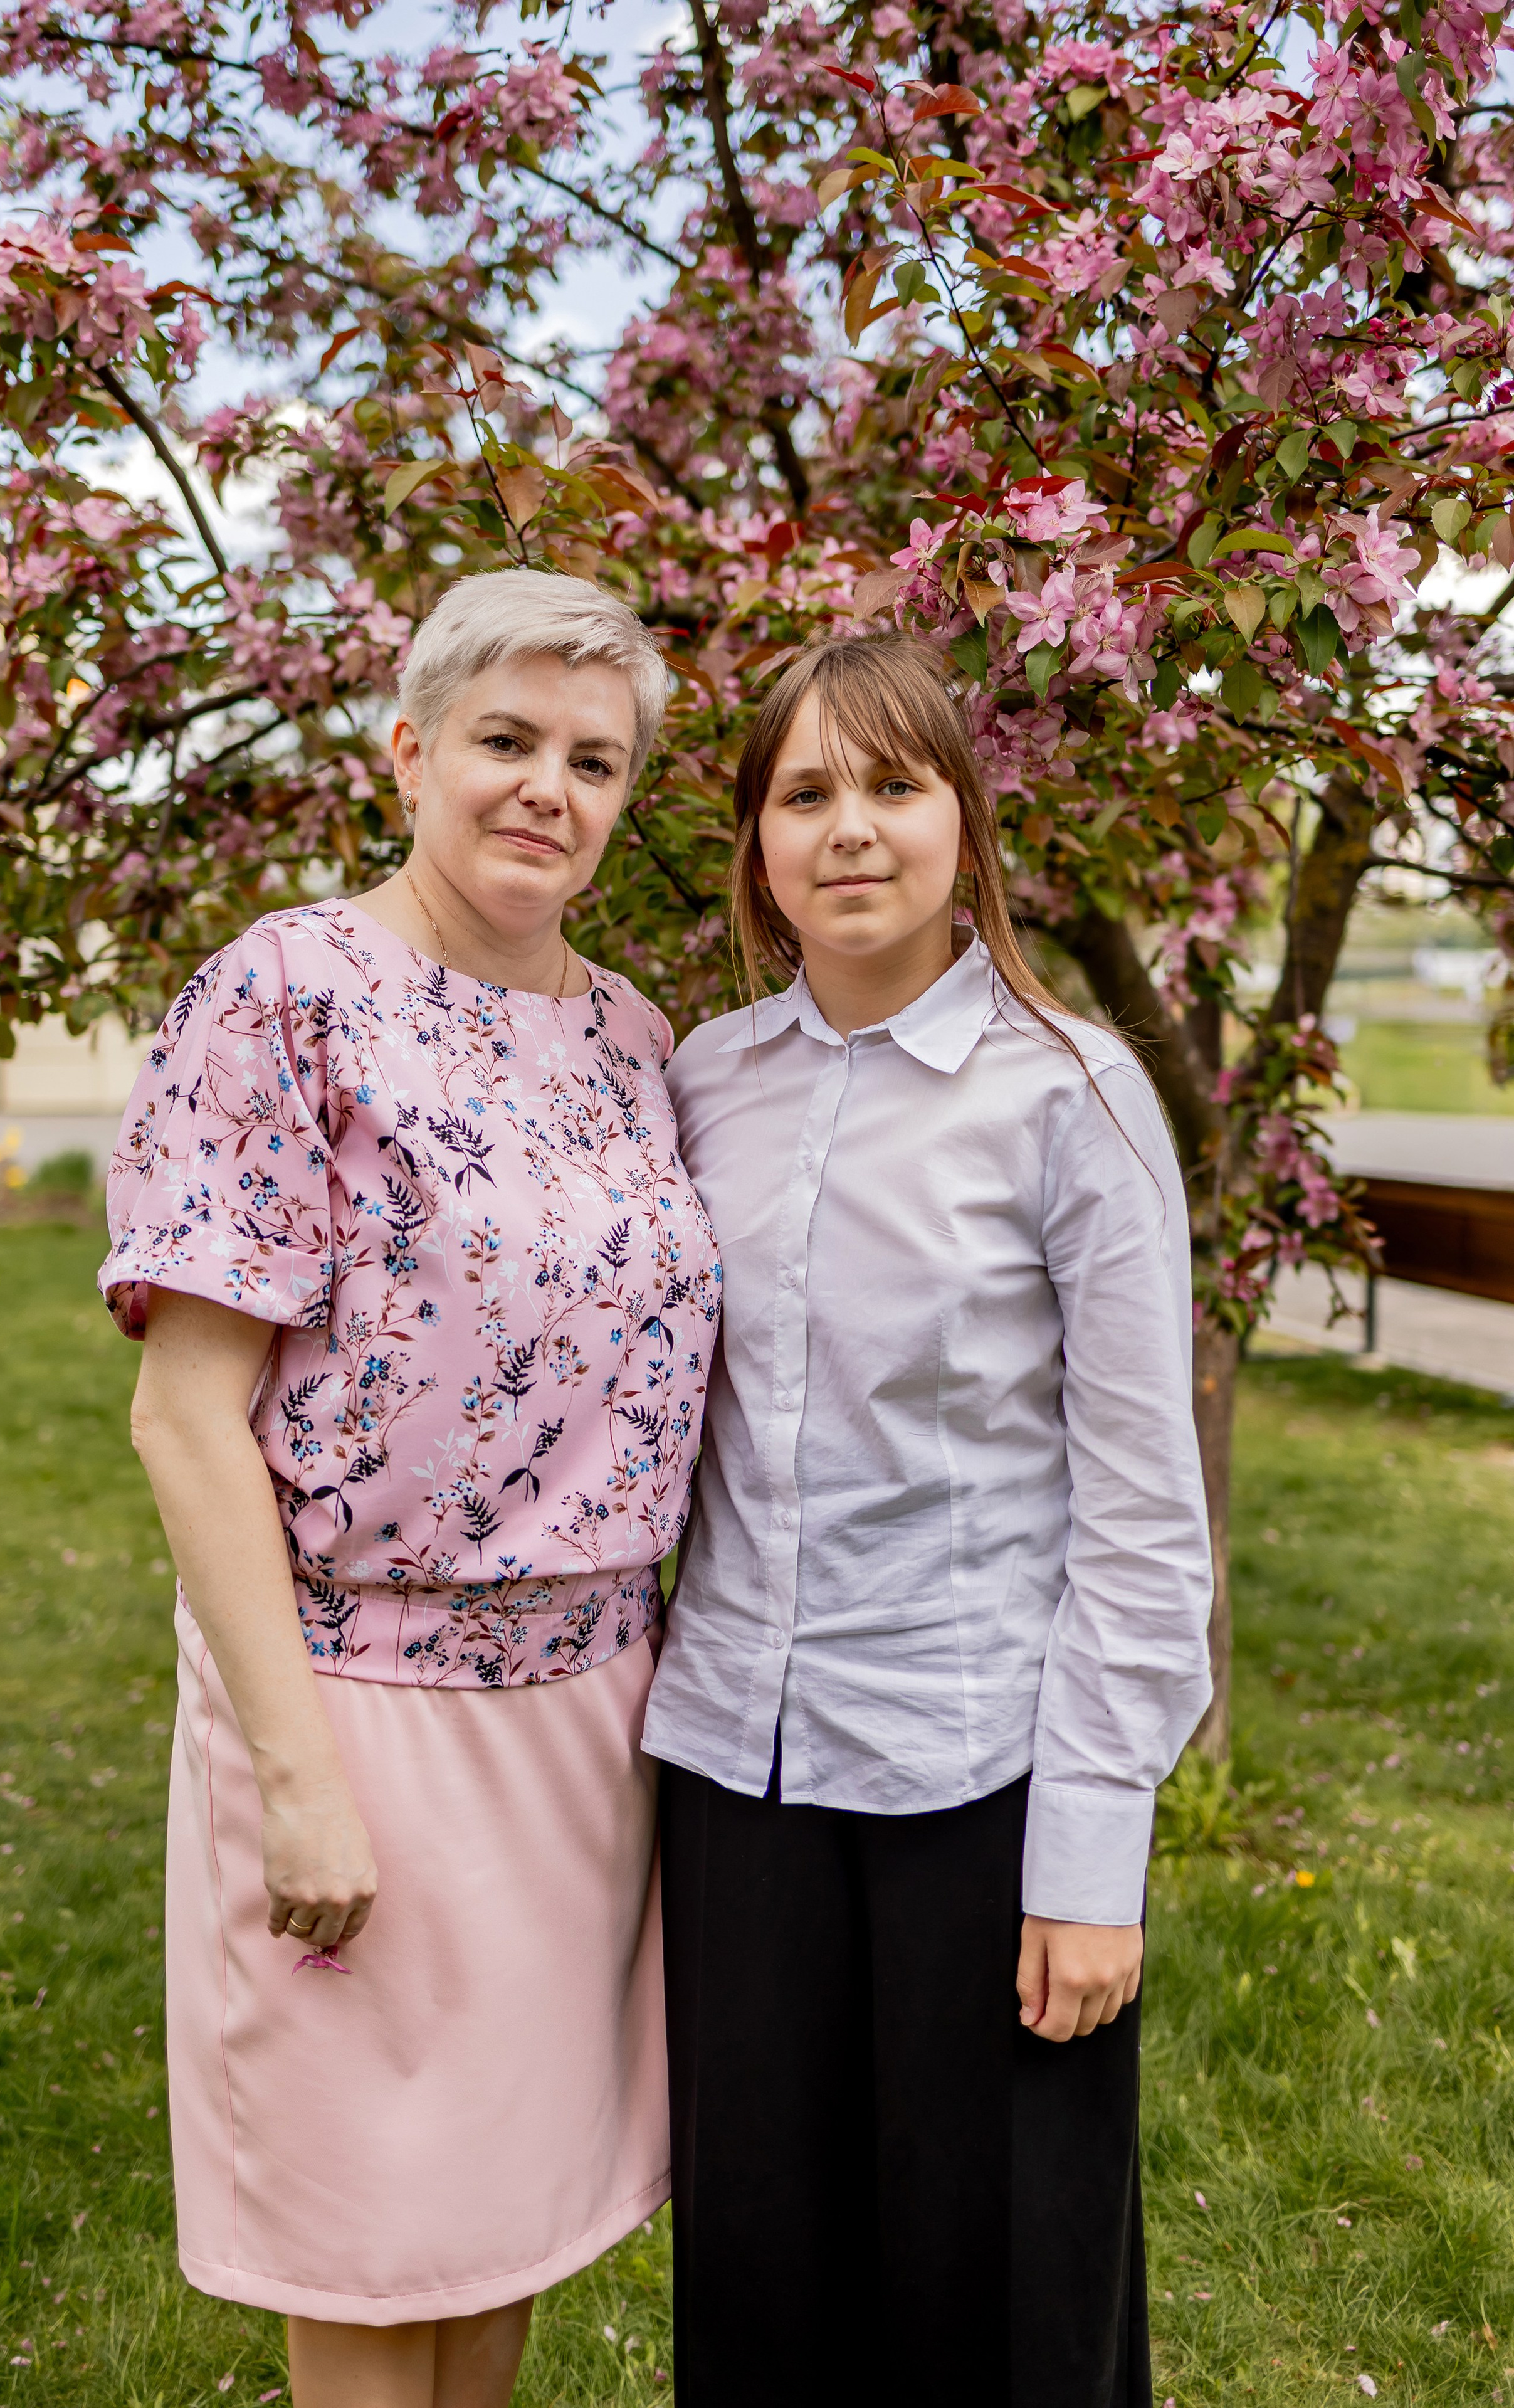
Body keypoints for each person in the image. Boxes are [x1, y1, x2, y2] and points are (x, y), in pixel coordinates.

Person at [100, 569, 721, 2408]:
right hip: (354, 1705)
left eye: (593, 761)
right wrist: (299, 1780)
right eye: (506, 740)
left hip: (590, 1714)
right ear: (410, 750)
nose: (548, 789)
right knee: (372, 2244)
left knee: (503, 2225)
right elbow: (185, 1419)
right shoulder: (286, 995)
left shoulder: (634, 1040)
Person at [643, 633, 1214, 2407]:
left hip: (984, 1781)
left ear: (965, 819)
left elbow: (1143, 1513)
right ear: (756, 842)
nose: (851, 830)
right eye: (805, 793)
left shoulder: (1074, 1096)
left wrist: (1092, 1862)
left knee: (1001, 2300)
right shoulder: (701, 1083)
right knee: (764, 2288)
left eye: (894, 785)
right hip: (734, 1777)